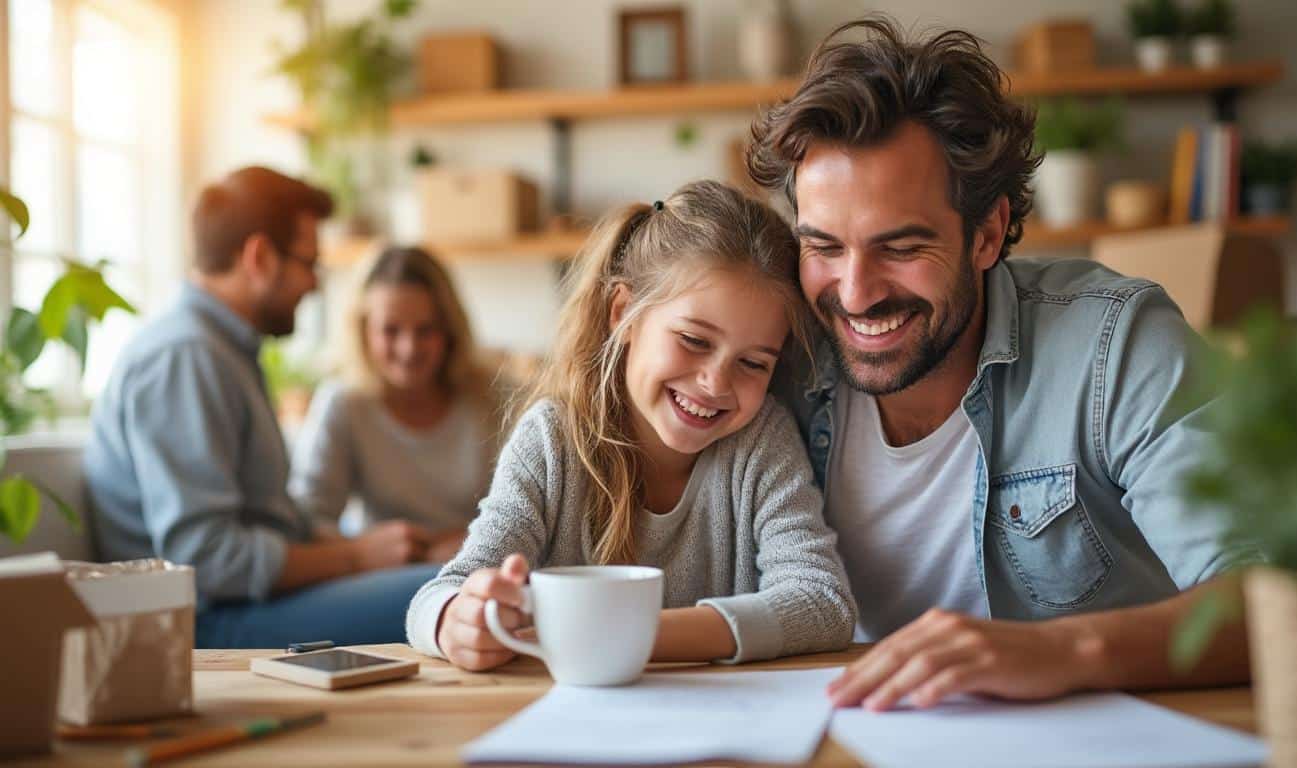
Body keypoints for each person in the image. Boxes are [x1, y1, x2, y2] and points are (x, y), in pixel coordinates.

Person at [747, 17, 1258, 710]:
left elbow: (1273, 599)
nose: (856, 292)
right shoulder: (776, 361)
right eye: (825, 247)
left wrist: (1067, 651)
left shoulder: (1115, 343)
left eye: (900, 247)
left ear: (987, 234)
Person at [406, 180, 856, 669]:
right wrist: (456, 620)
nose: (714, 382)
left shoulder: (762, 439)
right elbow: (440, 595)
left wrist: (623, 636)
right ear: (623, 313)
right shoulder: (553, 439)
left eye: (753, 363)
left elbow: (822, 603)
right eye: (694, 340)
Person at [84, 166, 441, 648]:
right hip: (208, 621)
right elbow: (206, 563)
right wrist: (357, 556)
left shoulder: (222, 350)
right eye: (308, 263)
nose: (314, 284)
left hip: (248, 602)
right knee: (453, 593)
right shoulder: (185, 357)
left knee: (459, 579)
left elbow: (261, 521)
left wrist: (380, 547)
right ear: (259, 257)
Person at [289, 246, 500, 563]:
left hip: (475, 566)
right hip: (382, 578)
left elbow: (532, 511)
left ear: (448, 329)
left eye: (425, 330)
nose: (409, 348)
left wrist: (468, 542)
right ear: (363, 332)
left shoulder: (495, 397)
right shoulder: (344, 403)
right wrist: (366, 550)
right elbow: (308, 521)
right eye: (391, 330)